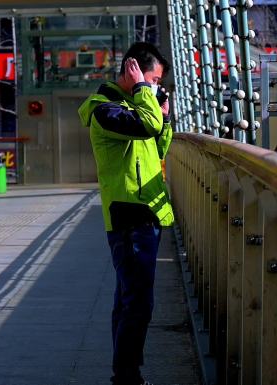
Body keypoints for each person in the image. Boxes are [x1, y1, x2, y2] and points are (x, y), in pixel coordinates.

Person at [77, 42, 174, 385]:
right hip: (128, 216)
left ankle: (126, 372)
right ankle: (127, 376)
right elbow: (144, 128)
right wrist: (146, 96)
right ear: (133, 71)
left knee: (129, 300)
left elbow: (157, 147)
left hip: (146, 213)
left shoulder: (136, 108)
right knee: (137, 304)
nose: (156, 86)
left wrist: (163, 118)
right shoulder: (105, 110)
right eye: (153, 78)